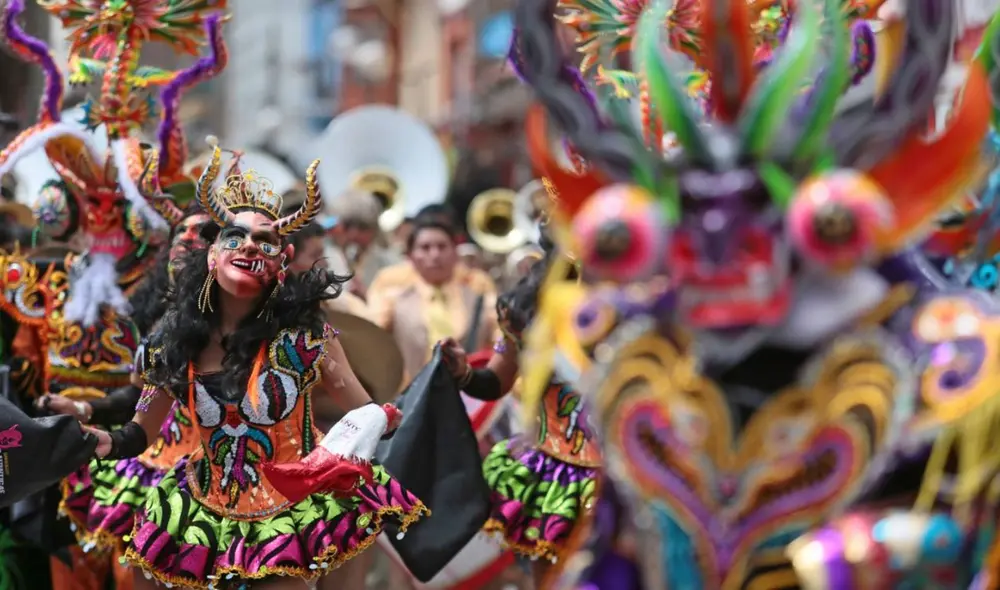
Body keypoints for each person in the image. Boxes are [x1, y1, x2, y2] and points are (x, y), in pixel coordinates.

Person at [512, 0, 996, 587]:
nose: (723, 244)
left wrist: (887, 552)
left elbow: (969, 535)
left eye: (753, 208)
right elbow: (619, 551)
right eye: (697, 214)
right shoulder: (630, 353)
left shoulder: (943, 359)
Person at [87, 149, 427, 589]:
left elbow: (366, 413)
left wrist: (377, 423)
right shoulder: (173, 344)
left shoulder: (307, 340)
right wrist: (105, 440)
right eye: (234, 237)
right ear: (212, 255)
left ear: (282, 261)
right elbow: (139, 433)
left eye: (265, 242)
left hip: (289, 515)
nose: (249, 246)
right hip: (202, 513)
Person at [440, 238, 598, 586]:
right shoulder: (524, 313)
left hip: (621, 470)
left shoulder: (635, 306)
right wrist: (464, 373)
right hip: (557, 472)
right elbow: (496, 380)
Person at [369, 218, 499, 381]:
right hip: (412, 390)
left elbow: (500, 338)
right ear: (410, 256)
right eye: (425, 248)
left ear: (455, 252)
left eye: (442, 247)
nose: (435, 255)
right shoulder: (393, 295)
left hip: (471, 390)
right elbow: (372, 337)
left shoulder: (478, 288)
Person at [325, 188, 402, 298]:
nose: (352, 234)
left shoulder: (389, 261)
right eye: (347, 226)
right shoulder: (327, 257)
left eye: (362, 227)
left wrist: (366, 295)